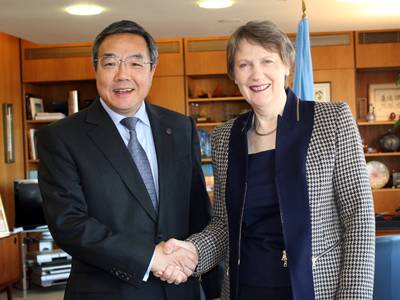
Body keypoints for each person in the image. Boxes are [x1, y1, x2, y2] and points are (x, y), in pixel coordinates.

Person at [158, 20, 375, 300]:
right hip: (244, 288)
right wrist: (191, 251)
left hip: (316, 289)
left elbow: (358, 218)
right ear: (233, 75)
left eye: (267, 61)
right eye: (244, 65)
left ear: (286, 65)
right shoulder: (225, 137)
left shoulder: (332, 120)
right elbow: (225, 225)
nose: (256, 74)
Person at [37, 20, 222, 300]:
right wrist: (150, 258)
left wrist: (214, 289)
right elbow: (69, 224)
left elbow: (198, 212)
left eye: (136, 63)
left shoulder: (180, 128)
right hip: (107, 292)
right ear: (95, 68)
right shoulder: (61, 137)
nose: (123, 75)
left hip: (181, 290)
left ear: (152, 69)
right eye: (111, 63)